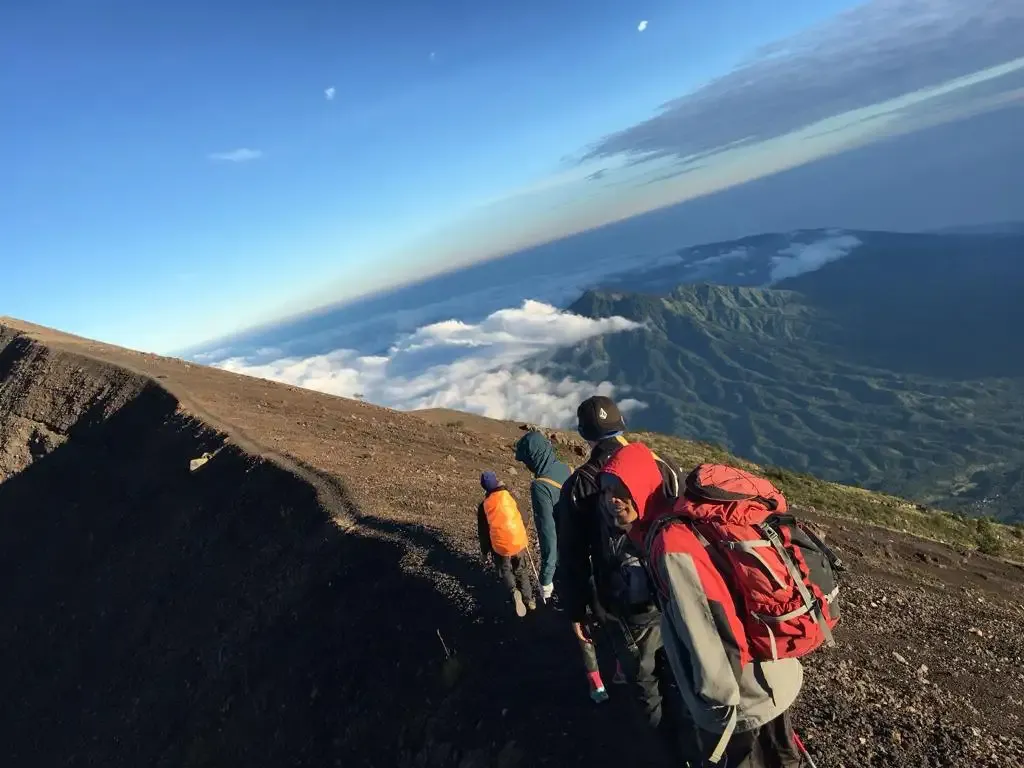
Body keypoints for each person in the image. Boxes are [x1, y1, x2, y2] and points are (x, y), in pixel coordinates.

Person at [598, 443, 805, 768]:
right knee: (782, 758)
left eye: (622, 489)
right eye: (607, 490)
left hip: (745, 694)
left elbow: (708, 627)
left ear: (641, 486)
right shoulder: (674, 521)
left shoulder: (668, 544)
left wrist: (717, 711)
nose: (612, 500)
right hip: (770, 672)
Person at [555, 395, 676, 720]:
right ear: (622, 423)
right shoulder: (659, 463)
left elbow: (573, 555)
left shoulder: (579, 484)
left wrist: (576, 609)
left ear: (584, 434)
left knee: (645, 676)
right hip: (672, 584)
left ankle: (661, 740)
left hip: (626, 601)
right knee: (681, 663)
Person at [513, 429, 571, 602]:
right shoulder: (569, 468)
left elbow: (548, 534)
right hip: (589, 548)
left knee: (572, 610)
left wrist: (546, 578)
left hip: (567, 556)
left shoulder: (540, 486)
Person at [477, 471, 537, 617]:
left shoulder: (484, 505)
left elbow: (484, 533)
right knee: (521, 569)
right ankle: (529, 599)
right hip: (518, 541)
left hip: (501, 546)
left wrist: (484, 552)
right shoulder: (510, 496)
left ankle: (513, 591)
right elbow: (525, 516)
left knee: (505, 569)